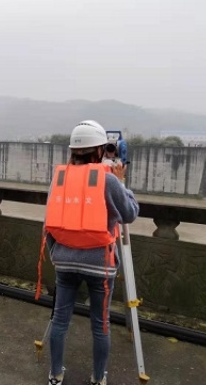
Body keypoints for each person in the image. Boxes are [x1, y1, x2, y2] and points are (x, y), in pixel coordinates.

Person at [42, 120, 139, 385]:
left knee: (60, 320)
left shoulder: (59, 178)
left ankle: (55, 375)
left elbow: (48, 223)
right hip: (100, 265)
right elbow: (129, 214)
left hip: (64, 260)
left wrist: (59, 254)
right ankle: (98, 378)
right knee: (100, 324)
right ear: (99, 151)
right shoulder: (107, 180)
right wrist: (122, 183)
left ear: (73, 151)